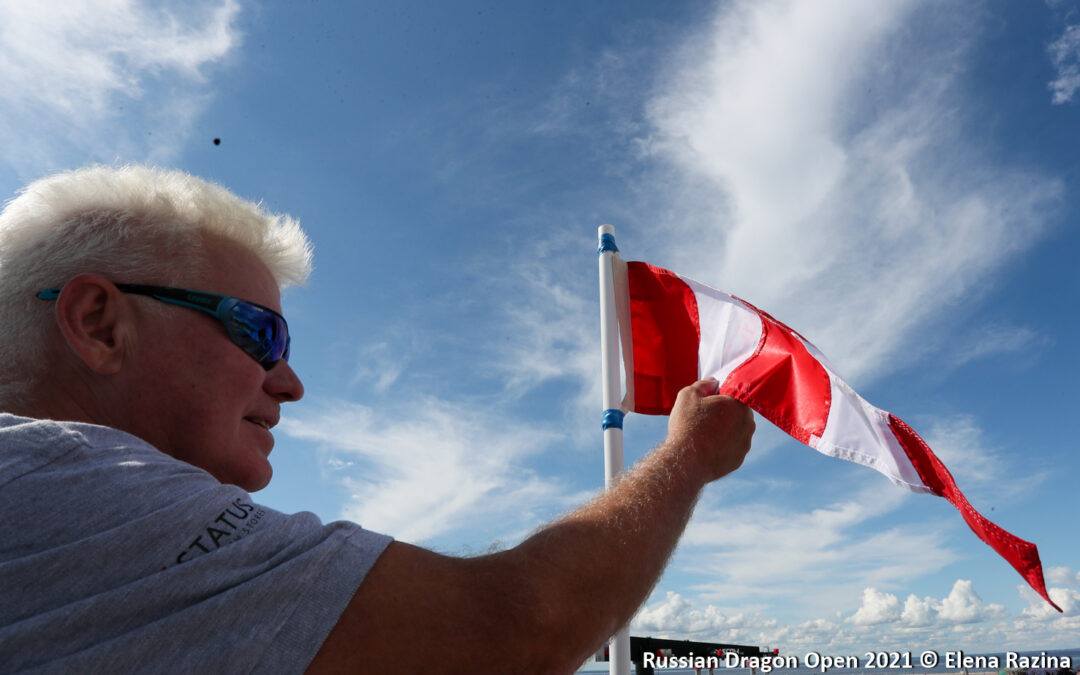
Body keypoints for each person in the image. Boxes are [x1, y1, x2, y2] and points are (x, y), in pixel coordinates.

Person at [0, 165, 755, 674]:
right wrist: (688, 456)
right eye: (261, 334)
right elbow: (515, 630)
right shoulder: (54, 478)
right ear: (100, 325)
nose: (290, 383)